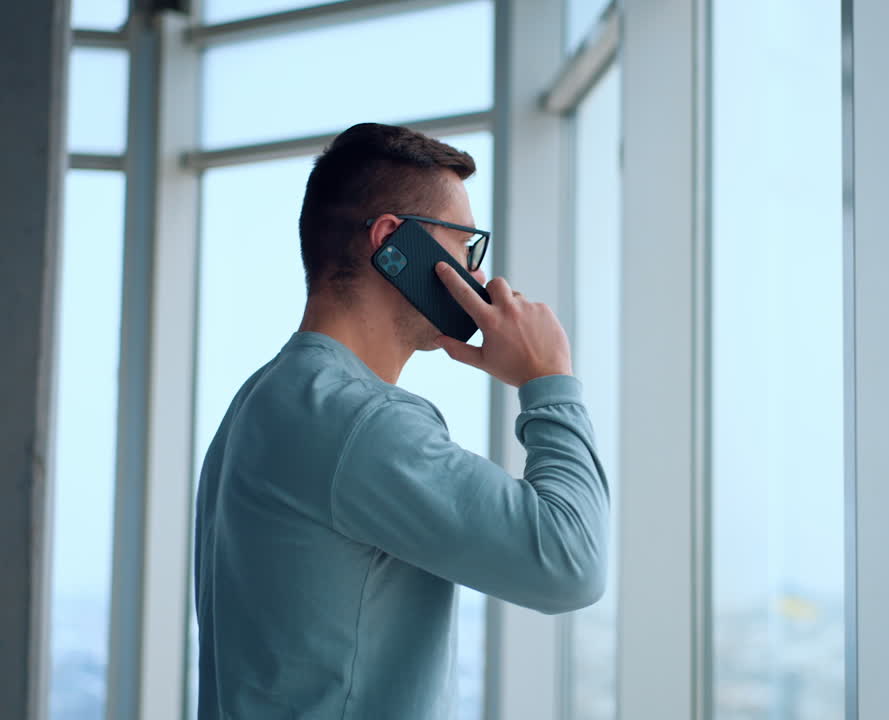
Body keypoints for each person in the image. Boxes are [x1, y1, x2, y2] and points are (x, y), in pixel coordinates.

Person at [193, 123, 609, 719]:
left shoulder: (263, 400)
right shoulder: (358, 421)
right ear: (394, 241)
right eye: (466, 244)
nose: (476, 272)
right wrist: (549, 382)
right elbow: (571, 564)